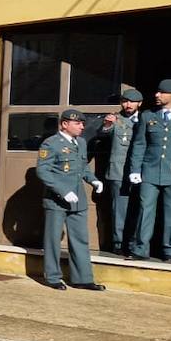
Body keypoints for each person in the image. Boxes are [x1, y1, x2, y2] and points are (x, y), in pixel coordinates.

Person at [37, 109, 105, 290]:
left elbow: (83, 167)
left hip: (78, 199)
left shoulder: (80, 143)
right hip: (57, 200)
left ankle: (83, 278)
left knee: (80, 238)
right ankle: (52, 277)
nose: (82, 127)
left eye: (83, 123)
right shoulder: (50, 144)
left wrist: (94, 180)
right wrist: (62, 191)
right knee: (53, 240)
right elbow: (42, 171)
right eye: (78, 123)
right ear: (65, 124)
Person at [128, 79, 171, 262]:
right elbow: (139, 144)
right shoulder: (148, 116)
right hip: (150, 170)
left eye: (162, 92)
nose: (157, 95)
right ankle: (140, 249)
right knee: (145, 210)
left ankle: (170, 250)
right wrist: (135, 169)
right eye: (158, 91)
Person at [94, 88, 143, 255]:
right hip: (119, 171)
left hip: (142, 173)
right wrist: (108, 125)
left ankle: (135, 243)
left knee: (141, 210)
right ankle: (119, 243)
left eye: (131, 101)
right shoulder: (116, 119)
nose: (128, 105)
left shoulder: (147, 119)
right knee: (119, 209)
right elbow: (103, 134)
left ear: (139, 103)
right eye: (125, 101)